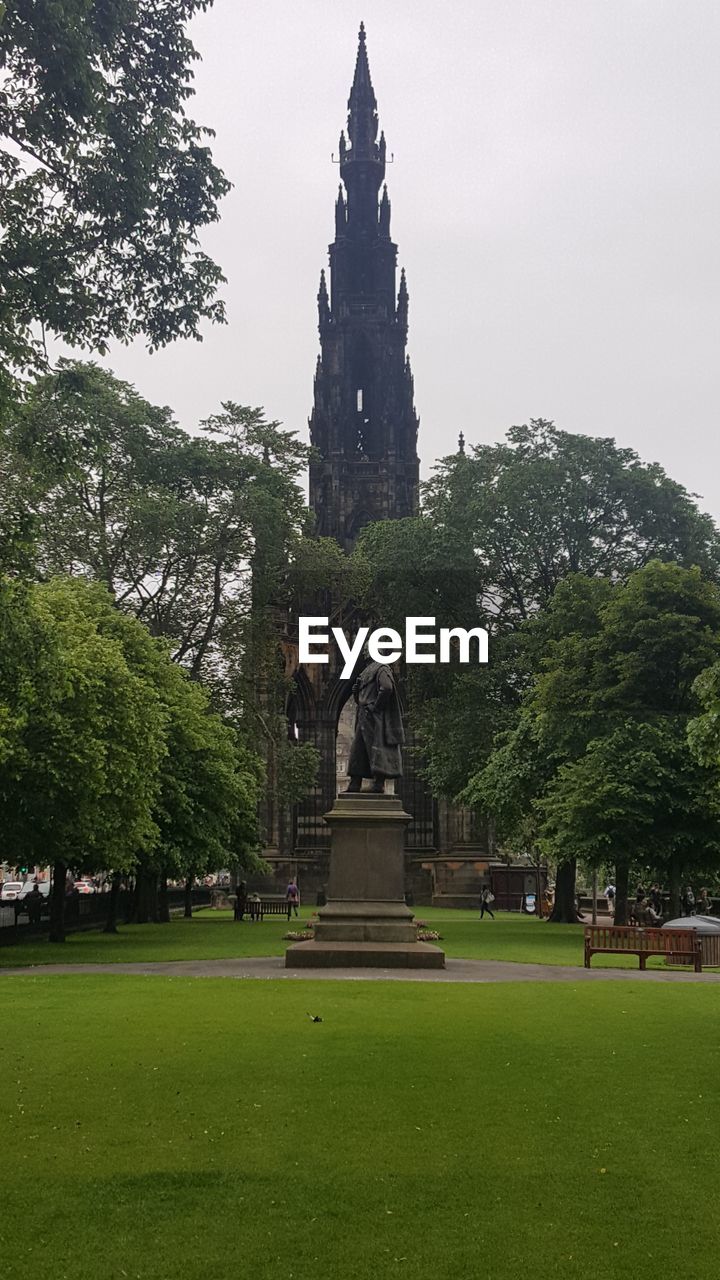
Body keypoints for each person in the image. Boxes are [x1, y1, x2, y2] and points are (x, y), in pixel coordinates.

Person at [344, 658, 404, 795]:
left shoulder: (382, 668)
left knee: (377, 748)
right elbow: (363, 695)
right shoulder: (367, 671)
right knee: (358, 749)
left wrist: (376, 707)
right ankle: (355, 782)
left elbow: (387, 688)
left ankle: (378, 783)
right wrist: (356, 693)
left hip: (373, 717)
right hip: (364, 715)